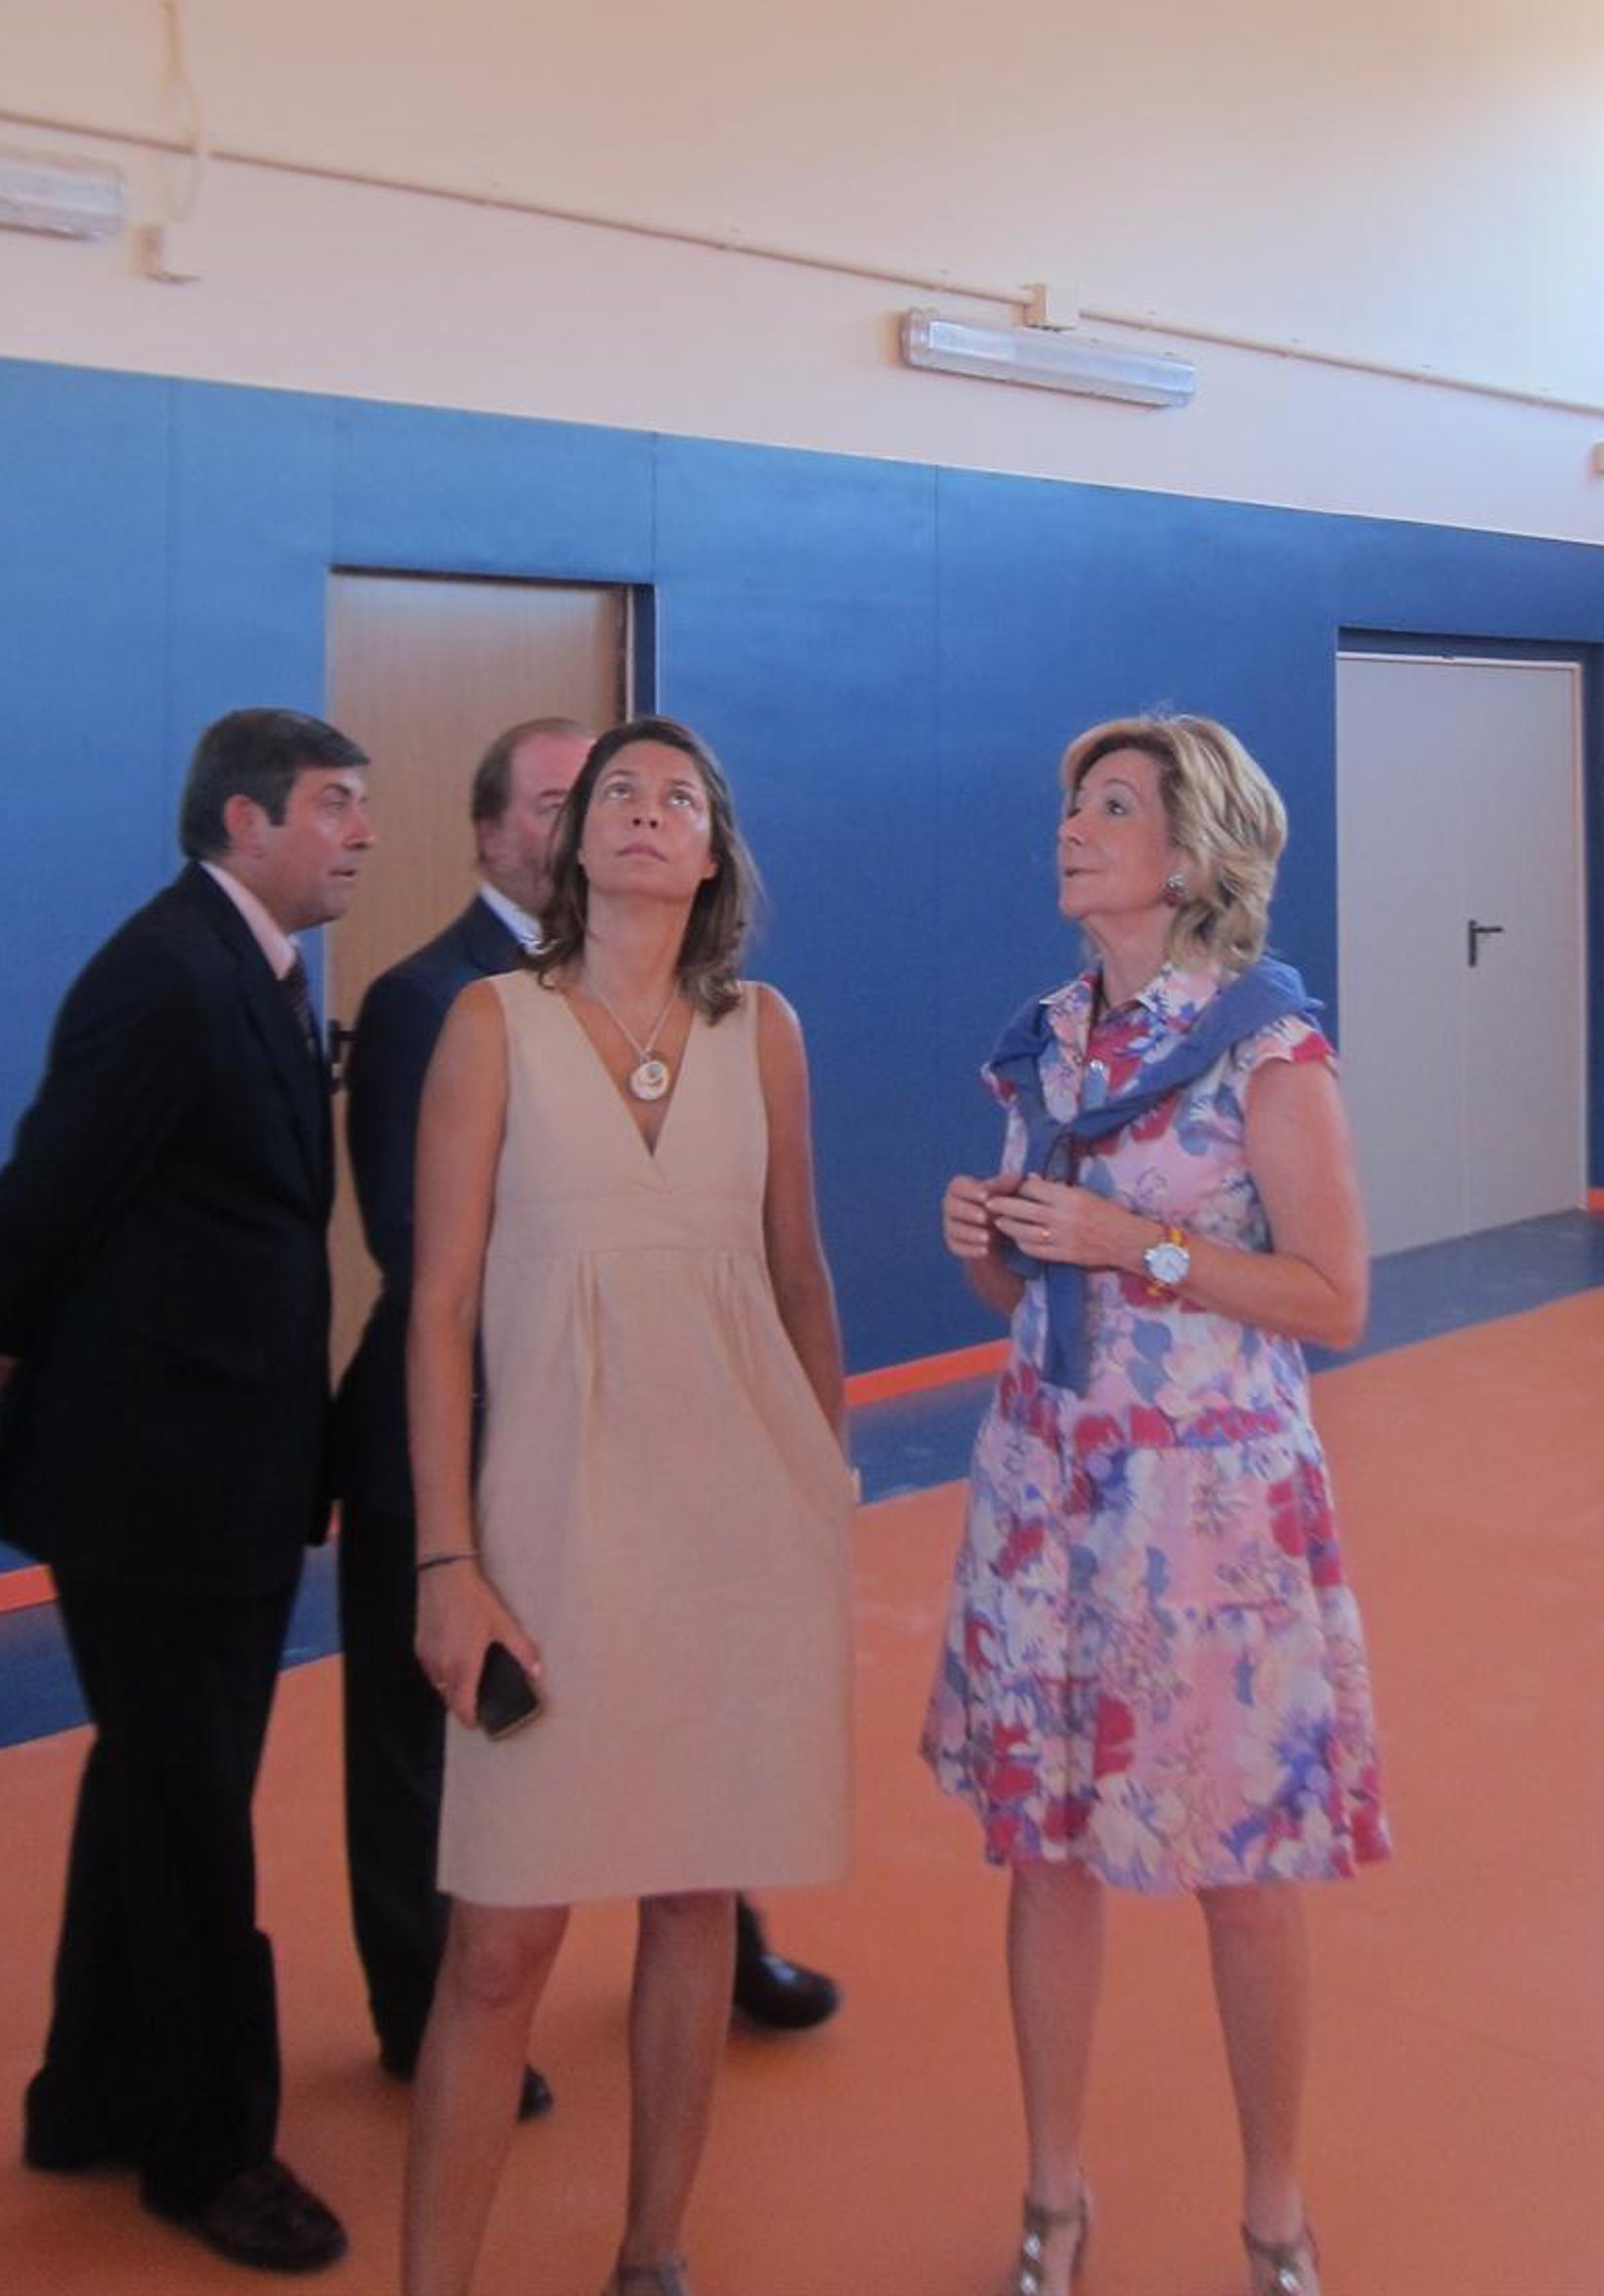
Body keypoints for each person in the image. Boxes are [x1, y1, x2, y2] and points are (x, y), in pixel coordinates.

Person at [923, 714, 1390, 2296]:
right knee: (1046, 1853)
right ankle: (1054, 2197)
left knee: (1242, 1866)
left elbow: (1335, 1297)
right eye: (1075, 802)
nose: (1074, 826)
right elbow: (1022, 1291)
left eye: (1113, 806)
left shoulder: (1268, 1047)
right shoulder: (1048, 1039)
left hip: (1209, 1514)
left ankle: (1274, 2210)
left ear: (1189, 857)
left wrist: (1142, 1245)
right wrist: (991, 1241)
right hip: (1050, 1490)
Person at [401, 717, 854, 2296]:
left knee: (694, 1895)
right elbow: (437, 1308)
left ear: (713, 850)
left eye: (679, 797)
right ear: (570, 839)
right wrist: (446, 1557)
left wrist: (827, 1489)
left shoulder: (766, 1029)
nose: (647, 812)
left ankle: (652, 2251)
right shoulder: (490, 1024)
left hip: (742, 1532)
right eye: (617, 792)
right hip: (546, 1534)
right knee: (498, 1944)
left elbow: (800, 1274)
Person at [0, 708, 376, 2278]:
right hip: (150, 1477)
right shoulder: (169, 972)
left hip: (218, 1464)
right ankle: (210, 2151)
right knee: (189, 1815)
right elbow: (54, 1174)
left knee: (151, 1786)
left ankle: (86, 2095)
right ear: (245, 819)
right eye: (334, 804)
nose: (360, 832)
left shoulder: (252, 967)